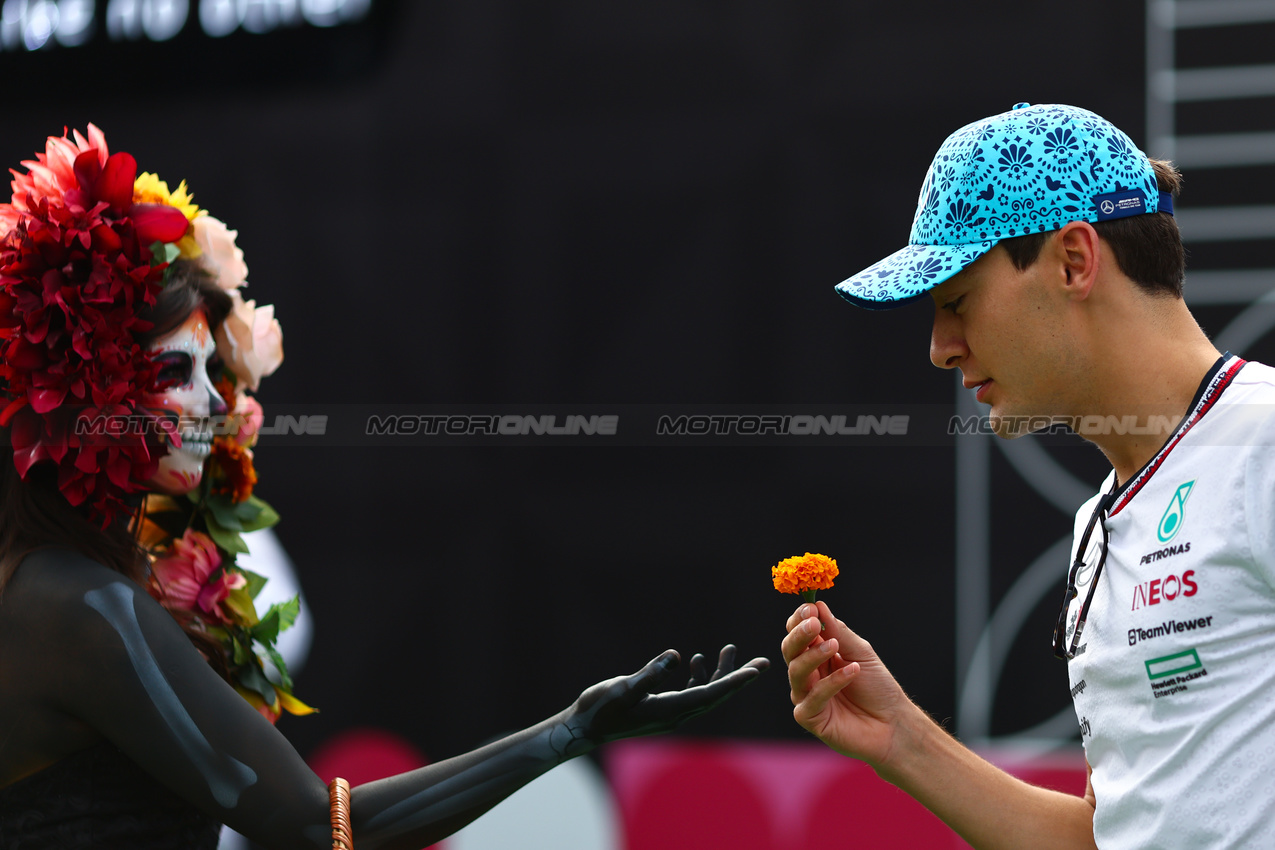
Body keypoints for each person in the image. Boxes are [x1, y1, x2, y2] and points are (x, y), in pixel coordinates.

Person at [0, 126, 769, 850]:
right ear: (85, 388)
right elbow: (317, 829)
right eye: (174, 372)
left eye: (214, 369)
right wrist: (568, 732)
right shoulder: (85, 606)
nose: (214, 400)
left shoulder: (60, 587)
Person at [781, 102, 1275, 849]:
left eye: (956, 301)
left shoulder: (1261, 443)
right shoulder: (1097, 524)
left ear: (1074, 260)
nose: (940, 348)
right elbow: (1111, 837)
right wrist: (901, 740)